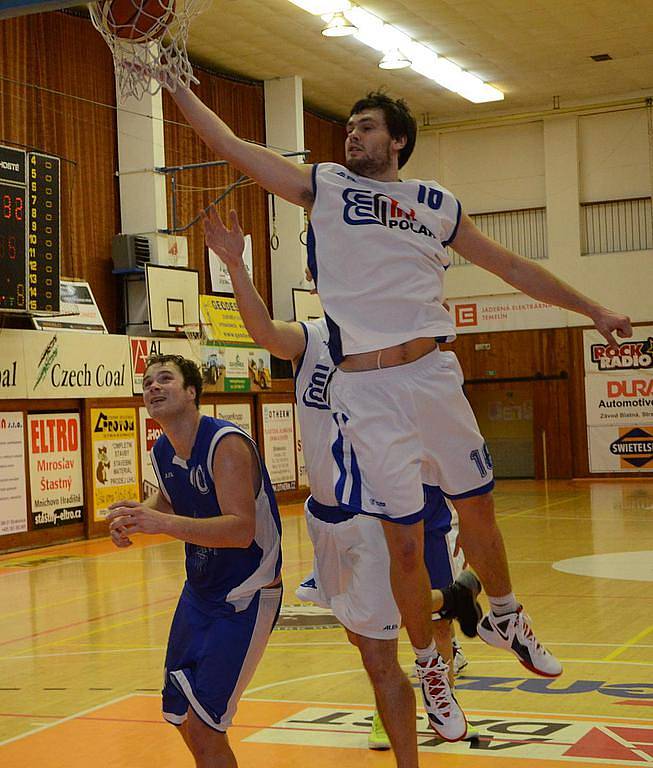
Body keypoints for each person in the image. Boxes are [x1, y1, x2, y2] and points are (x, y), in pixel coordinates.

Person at [164, 83, 632, 727]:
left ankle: (505, 614)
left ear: (399, 141)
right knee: (404, 546)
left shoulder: (436, 203)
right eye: (349, 127)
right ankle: (432, 666)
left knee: (479, 509)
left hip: (434, 372)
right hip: (368, 389)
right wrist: (174, 84)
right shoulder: (324, 186)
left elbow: (513, 268)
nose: (352, 136)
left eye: (366, 128)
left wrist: (595, 309)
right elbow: (232, 146)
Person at [203, 207, 481, 763]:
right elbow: (262, 333)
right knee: (362, 637)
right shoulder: (311, 339)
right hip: (326, 513)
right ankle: (454, 602)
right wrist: (236, 266)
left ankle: (433, 677)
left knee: (388, 648)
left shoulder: (405, 339)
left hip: (383, 509)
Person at [106, 354, 282, 768]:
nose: (153, 387)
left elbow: (240, 531)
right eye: (147, 382)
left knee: (207, 727)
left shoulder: (227, 444)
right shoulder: (162, 450)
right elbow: (169, 497)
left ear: (191, 392)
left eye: (165, 379)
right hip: (199, 593)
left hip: (245, 596)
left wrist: (160, 522)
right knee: (182, 715)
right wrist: (137, 517)